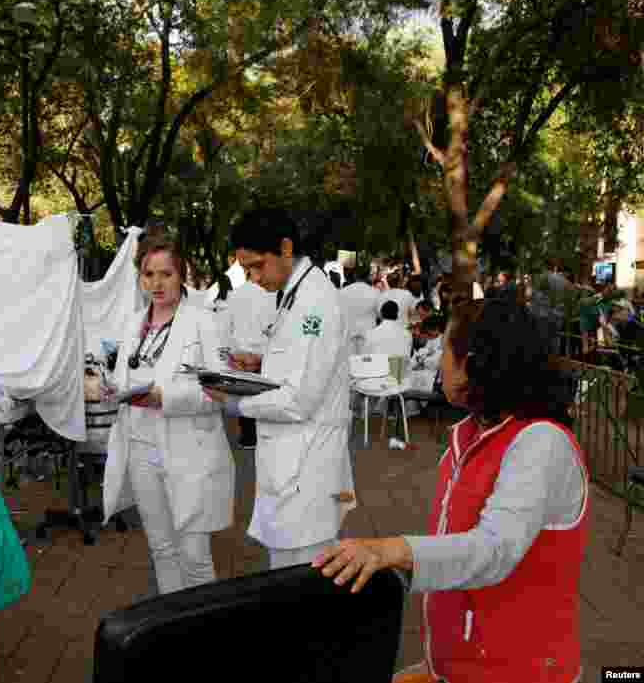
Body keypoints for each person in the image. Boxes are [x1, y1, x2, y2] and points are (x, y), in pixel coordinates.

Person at [313, 298, 587, 682]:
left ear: (475, 364)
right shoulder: (473, 433)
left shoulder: (540, 443)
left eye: (445, 349)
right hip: (464, 665)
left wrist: (393, 549)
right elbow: (455, 547)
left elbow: (493, 549)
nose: (440, 361)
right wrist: (435, 665)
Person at [205, 206, 354, 569]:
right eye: (246, 270)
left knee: (301, 581)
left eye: (256, 266)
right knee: (290, 576)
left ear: (286, 248)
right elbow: (301, 367)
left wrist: (236, 406)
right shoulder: (294, 293)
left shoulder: (314, 303)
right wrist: (260, 364)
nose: (253, 277)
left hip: (306, 471)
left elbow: (298, 400)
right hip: (293, 463)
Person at [101, 233, 235, 594]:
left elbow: (219, 391)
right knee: (162, 548)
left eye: (166, 274)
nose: (156, 284)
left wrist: (165, 397)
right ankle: (172, 632)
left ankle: (202, 632)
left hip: (188, 450)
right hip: (142, 448)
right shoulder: (133, 324)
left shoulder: (204, 322)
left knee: (194, 554)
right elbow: (123, 378)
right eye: (148, 275)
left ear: (182, 274)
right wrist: (106, 387)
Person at [223, 271, 277, 451]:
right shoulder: (270, 295)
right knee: (261, 393)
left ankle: (247, 437)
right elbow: (272, 327)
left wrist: (234, 353)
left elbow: (226, 327)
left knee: (243, 394)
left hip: (240, 353)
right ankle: (261, 434)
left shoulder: (235, 295)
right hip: (262, 354)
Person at [339, 265, 380, 355]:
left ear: (354, 275)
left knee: (349, 365)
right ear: (368, 275)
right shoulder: (375, 293)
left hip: (348, 335)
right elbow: (380, 315)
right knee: (366, 365)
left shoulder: (342, 292)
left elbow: (338, 315)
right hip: (369, 335)